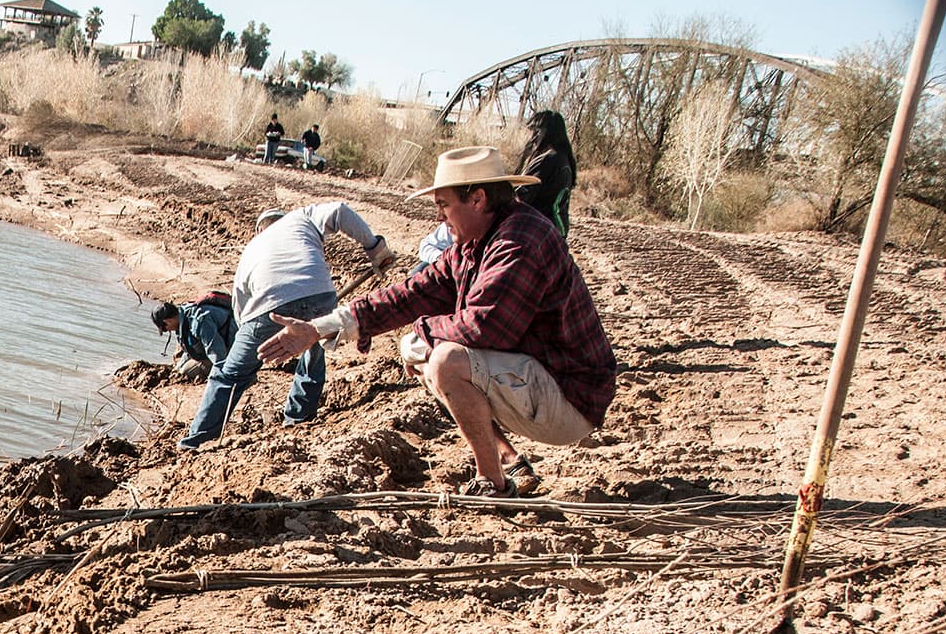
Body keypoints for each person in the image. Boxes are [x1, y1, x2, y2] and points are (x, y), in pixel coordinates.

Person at [257, 146, 617, 496]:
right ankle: (507, 459)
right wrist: (320, 327)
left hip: (570, 397)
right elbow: (410, 293)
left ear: (477, 199)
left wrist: (424, 329)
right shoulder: (474, 243)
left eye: (444, 205)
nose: (440, 218)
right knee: (419, 351)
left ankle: (493, 483)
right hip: (538, 377)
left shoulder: (520, 241)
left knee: (445, 361)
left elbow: (485, 327)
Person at [178, 204, 395, 450]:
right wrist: (375, 248)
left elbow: (240, 309)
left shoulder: (252, 247)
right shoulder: (301, 219)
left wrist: (247, 348)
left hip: (267, 308)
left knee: (229, 376)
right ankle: (298, 418)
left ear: (259, 229)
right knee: (313, 356)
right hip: (320, 295)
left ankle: (196, 441)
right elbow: (339, 211)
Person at [515, 109, 576, 236]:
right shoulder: (564, 159)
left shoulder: (549, 160)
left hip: (539, 230)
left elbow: (521, 197)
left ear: (546, 133)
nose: (533, 137)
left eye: (536, 131)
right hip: (556, 229)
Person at [150, 292, 235, 379]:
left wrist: (220, 377)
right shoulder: (182, 317)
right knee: (179, 363)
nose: (167, 331)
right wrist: (177, 369)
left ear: (168, 321)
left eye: (164, 329)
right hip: (218, 344)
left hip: (232, 345)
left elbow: (217, 351)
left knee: (185, 372)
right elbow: (189, 351)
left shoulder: (198, 322)